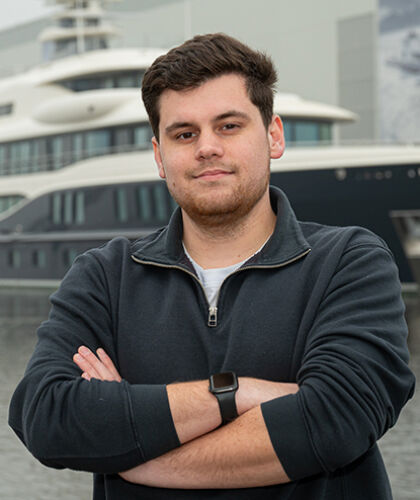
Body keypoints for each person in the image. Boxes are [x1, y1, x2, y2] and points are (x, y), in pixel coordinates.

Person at [9, 33, 415, 499]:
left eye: (228, 126)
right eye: (184, 134)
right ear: (160, 157)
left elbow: (338, 417)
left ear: (273, 136)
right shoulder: (105, 275)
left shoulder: (349, 262)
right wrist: (235, 394)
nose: (207, 148)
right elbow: (45, 416)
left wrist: (133, 444)